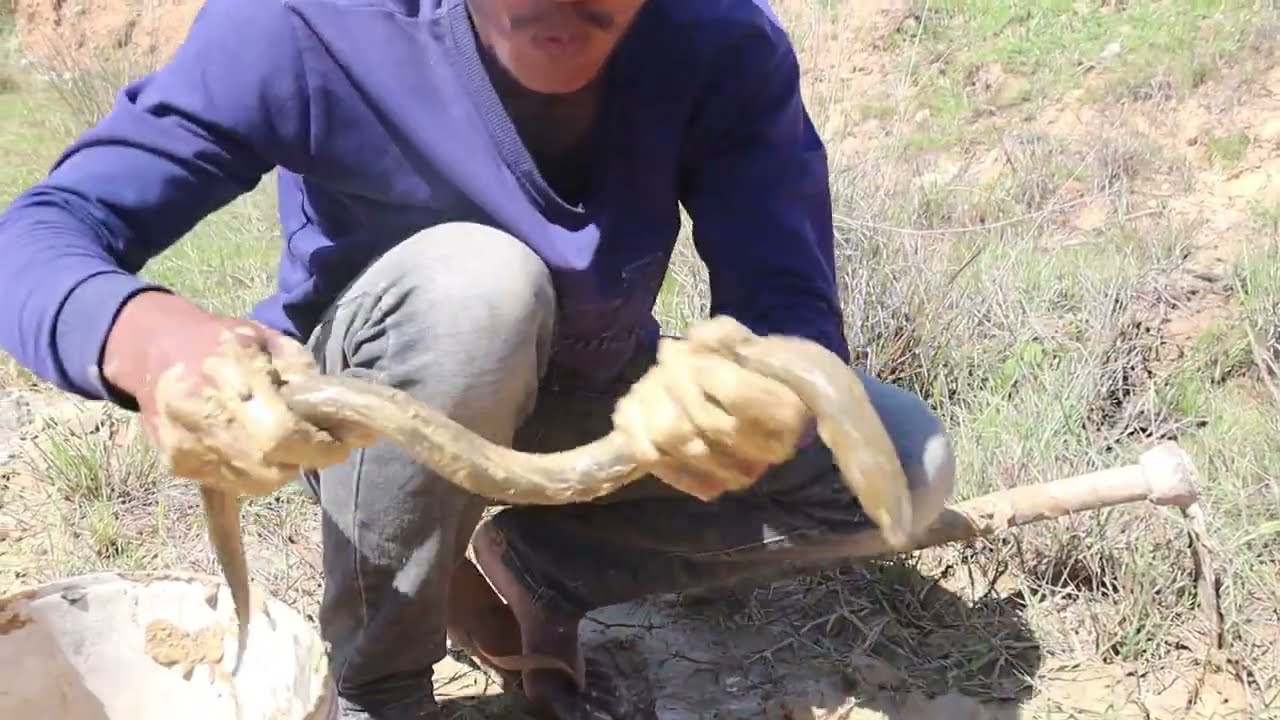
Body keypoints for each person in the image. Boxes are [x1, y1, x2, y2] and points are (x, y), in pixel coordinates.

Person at [0, 0, 957, 717]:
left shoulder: (719, 41)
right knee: (478, 288)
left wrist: (756, 385)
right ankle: (382, 683)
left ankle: (545, 569)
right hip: (365, 415)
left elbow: (787, 307)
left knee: (901, 464)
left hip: (586, 393)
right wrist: (158, 342)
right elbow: (38, 237)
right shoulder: (310, 21)